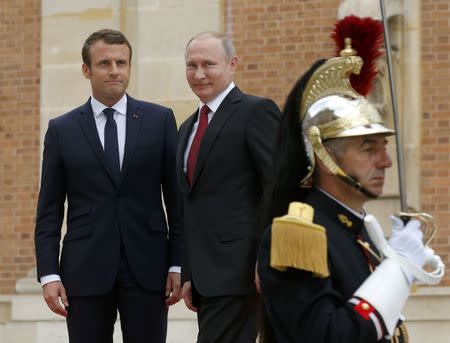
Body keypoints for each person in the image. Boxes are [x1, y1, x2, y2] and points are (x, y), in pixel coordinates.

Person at [257, 16, 444, 343]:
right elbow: (330, 335)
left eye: (383, 147)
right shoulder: (299, 237)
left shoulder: (360, 232)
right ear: (324, 156)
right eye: (368, 148)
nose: (385, 161)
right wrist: (397, 268)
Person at [34, 29, 183, 343]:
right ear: (87, 70)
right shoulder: (62, 130)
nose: (114, 70)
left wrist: (178, 263)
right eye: (104, 63)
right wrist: (49, 274)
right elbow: (48, 211)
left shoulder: (160, 120)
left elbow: (178, 201)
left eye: (121, 62)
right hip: (84, 269)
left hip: (149, 267)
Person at [177, 31, 281, 342]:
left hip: (244, 274)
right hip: (206, 281)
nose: (199, 74)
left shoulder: (255, 112)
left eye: (208, 64)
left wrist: (269, 258)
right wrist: (188, 273)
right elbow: (190, 204)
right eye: (191, 65)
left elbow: (276, 190)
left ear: (232, 64)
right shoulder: (187, 128)